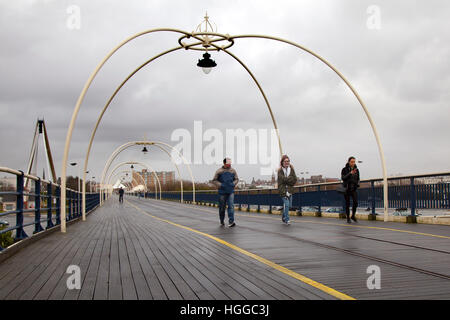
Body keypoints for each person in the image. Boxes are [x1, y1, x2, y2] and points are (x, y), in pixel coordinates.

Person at [212, 158, 239, 227]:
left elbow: (236, 179)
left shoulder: (233, 171)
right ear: (224, 163)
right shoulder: (219, 171)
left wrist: (233, 184)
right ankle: (221, 221)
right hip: (222, 192)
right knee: (222, 207)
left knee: (231, 206)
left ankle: (231, 221)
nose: (229, 164)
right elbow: (214, 180)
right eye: (228, 163)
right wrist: (221, 185)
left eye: (230, 163)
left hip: (230, 191)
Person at [277, 155, 297, 225]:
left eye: (288, 161)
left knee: (290, 206)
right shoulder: (280, 171)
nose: (287, 162)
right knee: (287, 204)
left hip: (290, 190)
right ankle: (287, 220)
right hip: (283, 191)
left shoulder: (291, 170)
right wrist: (289, 179)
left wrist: (288, 180)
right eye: (285, 161)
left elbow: (295, 179)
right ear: (282, 162)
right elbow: (282, 180)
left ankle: (284, 216)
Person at [341, 156, 360, 223]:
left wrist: (358, 184)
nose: (353, 163)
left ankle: (353, 215)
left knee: (356, 202)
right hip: (347, 188)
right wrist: (350, 173)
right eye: (352, 162)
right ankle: (348, 218)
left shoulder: (356, 170)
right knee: (347, 204)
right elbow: (343, 178)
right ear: (349, 162)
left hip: (354, 189)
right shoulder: (344, 169)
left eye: (354, 162)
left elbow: (358, 178)